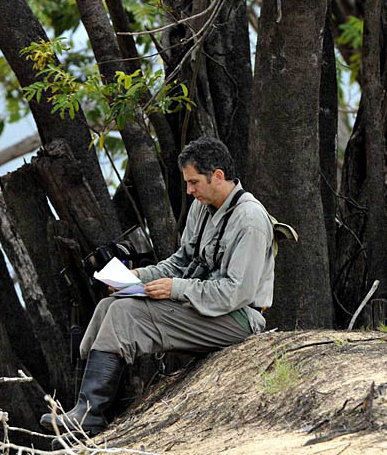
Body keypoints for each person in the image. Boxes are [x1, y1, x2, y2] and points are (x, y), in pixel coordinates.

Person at [39, 136, 275, 435]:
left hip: (239, 319)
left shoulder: (249, 220)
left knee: (126, 314)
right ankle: (83, 407)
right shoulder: (203, 208)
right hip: (207, 306)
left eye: (194, 182)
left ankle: (92, 414)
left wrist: (175, 289)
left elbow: (235, 293)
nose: (189, 190)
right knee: (108, 306)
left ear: (217, 176)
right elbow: (181, 261)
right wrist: (140, 277)